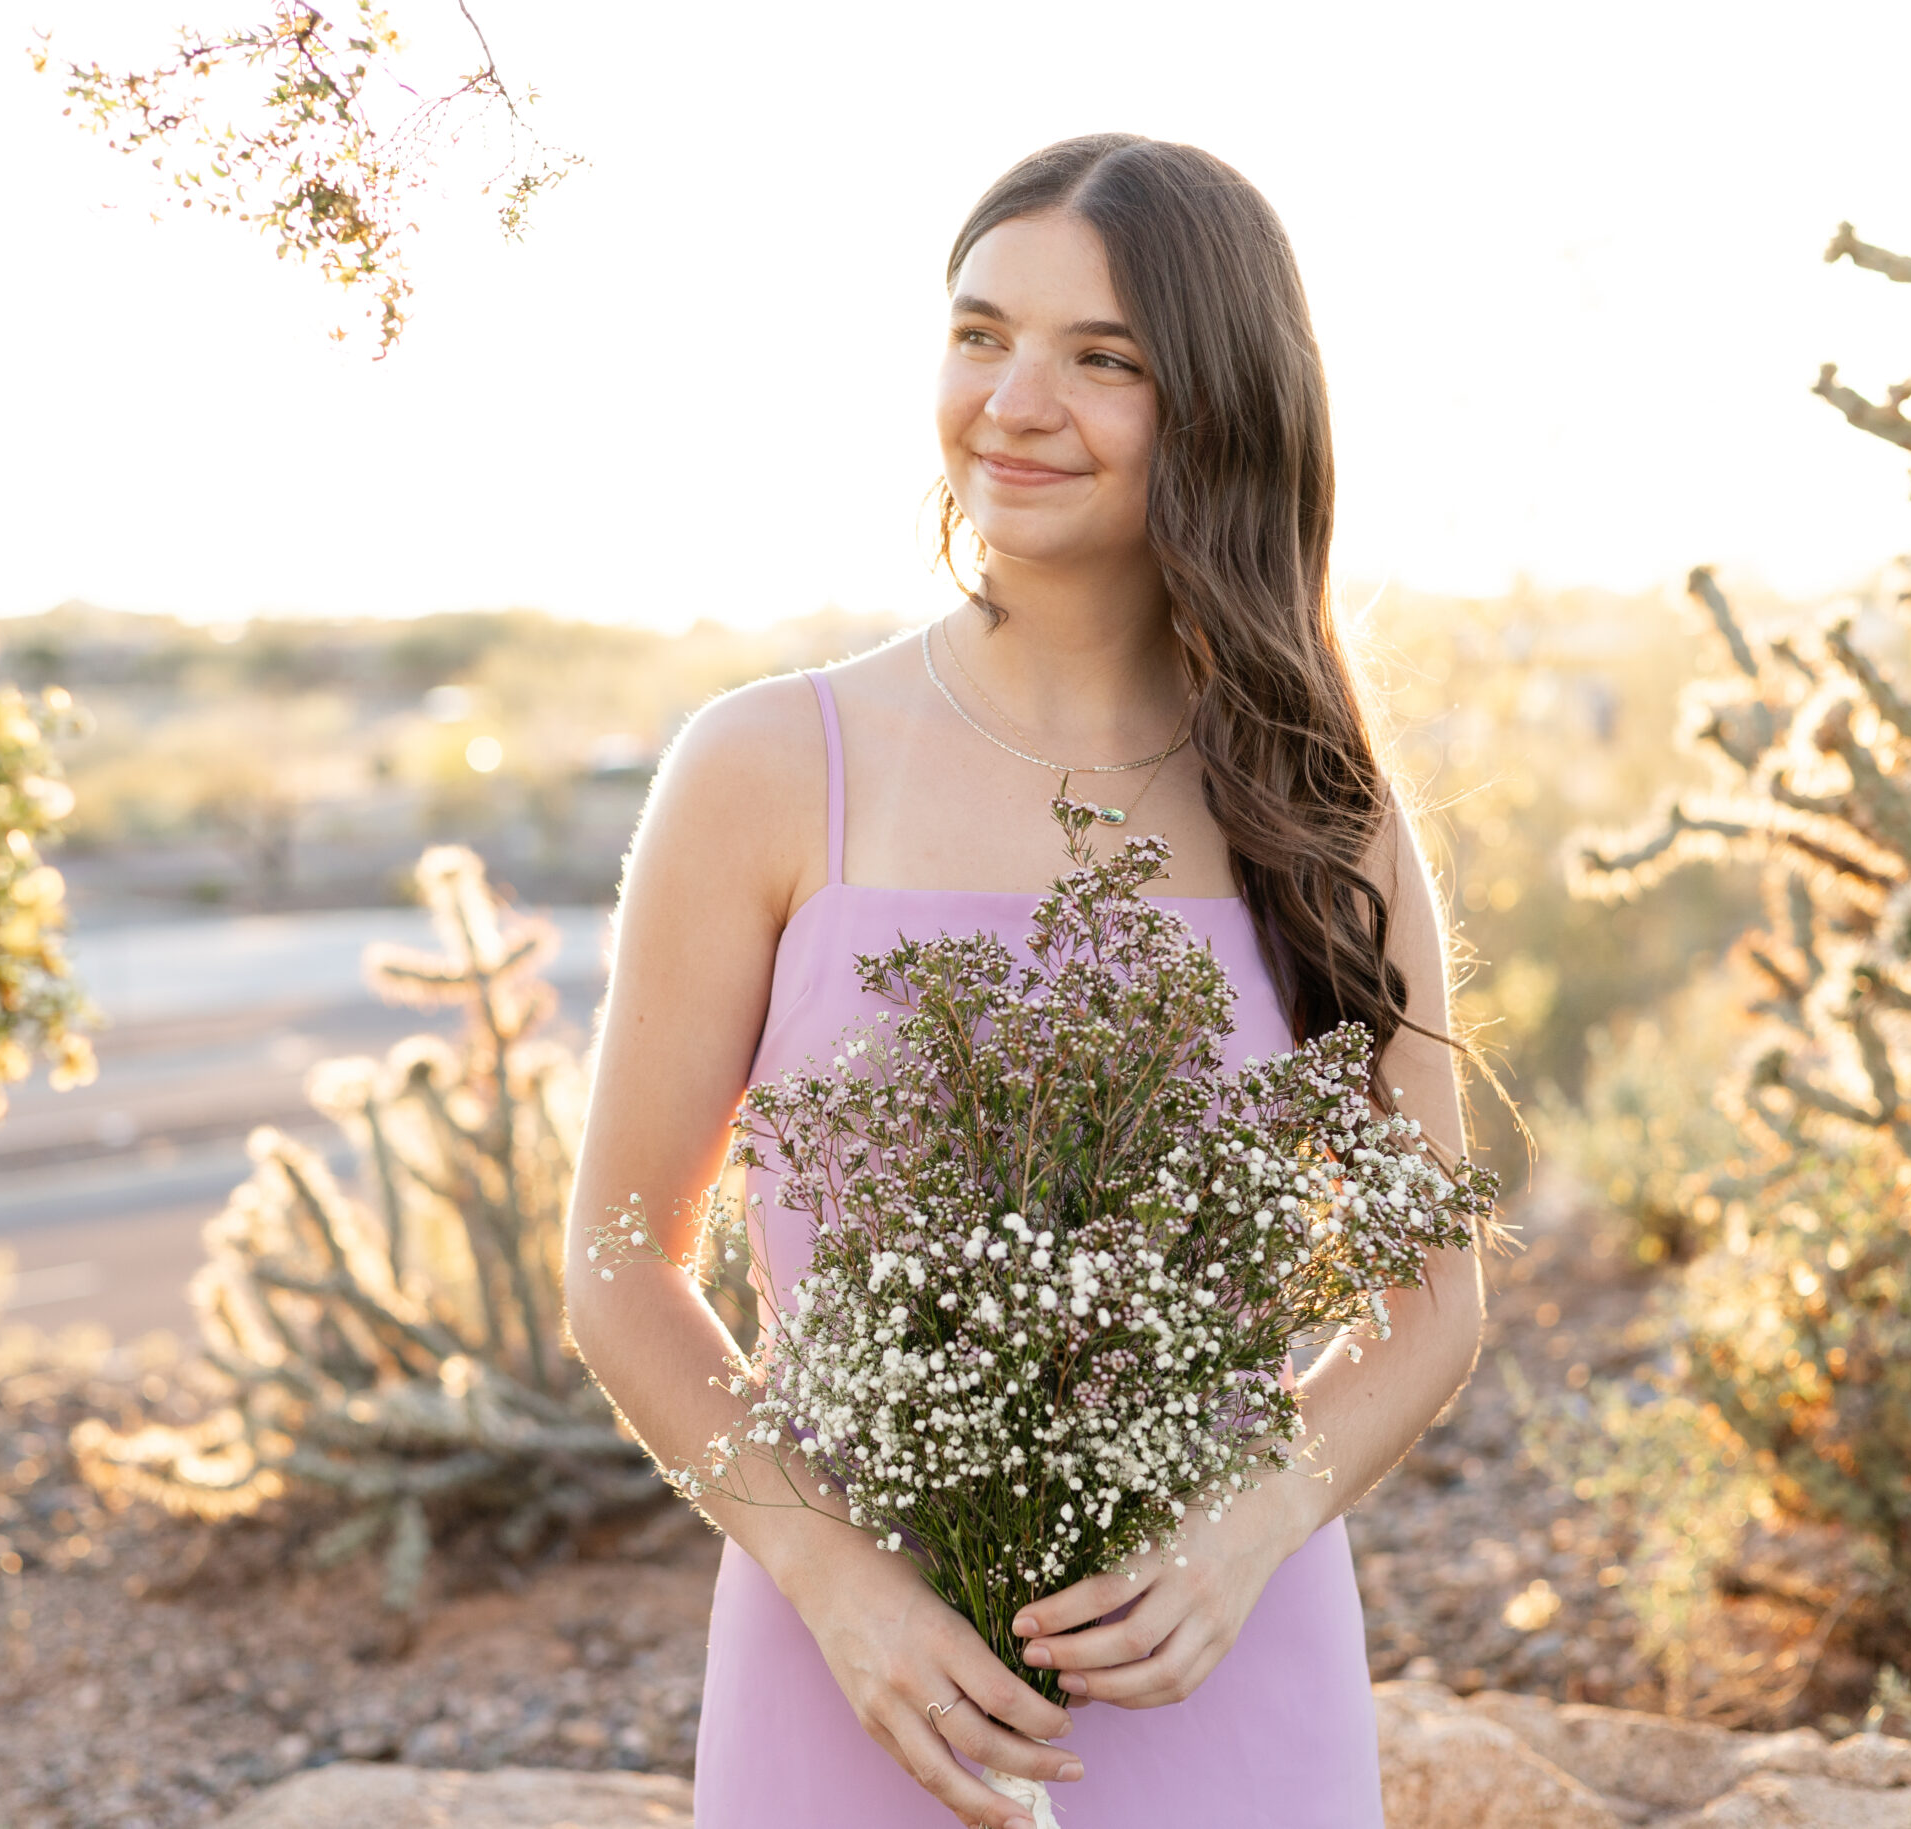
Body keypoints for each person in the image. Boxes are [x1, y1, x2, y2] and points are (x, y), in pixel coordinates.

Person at [563, 132, 1486, 1829]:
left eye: (1104, 358)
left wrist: (1250, 1524)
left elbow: (1435, 1305)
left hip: (1219, 1664)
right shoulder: (770, 765)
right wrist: (835, 1579)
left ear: (1219, 403)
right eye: (981, 334)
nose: (1015, 401)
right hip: (862, 1681)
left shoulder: (1318, 800)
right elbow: (621, 1265)